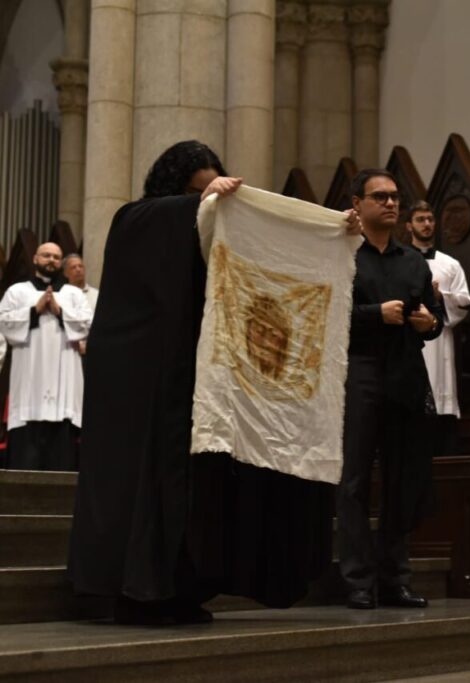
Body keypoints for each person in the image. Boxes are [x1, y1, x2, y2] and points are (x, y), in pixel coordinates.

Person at [68, 140, 352, 625]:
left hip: (194, 377)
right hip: (141, 381)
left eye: (209, 190)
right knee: (147, 488)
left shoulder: (206, 220)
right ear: (173, 190)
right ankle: (137, 592)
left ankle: (180, 589)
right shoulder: (134, 220)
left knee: (192, 492)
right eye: (196, 191)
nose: (209, 201)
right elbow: (162, 232)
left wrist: (326, 233)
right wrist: (197, 205)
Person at [339, 169, 445, 610]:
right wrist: (372, 314)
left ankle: (395, 579)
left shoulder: (412, 261)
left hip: (404, 372)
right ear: (357, 203)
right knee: (354, 480)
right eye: (379, 196)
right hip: (358, 370)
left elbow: (434, 317)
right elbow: (325, 312)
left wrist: (430, 322)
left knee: (402, 479)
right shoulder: (342, 254)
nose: (390, 203)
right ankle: (358, 580)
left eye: (395, 197)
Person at [0, 242, 92, 470]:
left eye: (56, 256)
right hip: (28, 386)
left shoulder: (73, 294)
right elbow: (4, 322)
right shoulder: (17, 291)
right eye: (46, 255)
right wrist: (35, 310)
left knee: (61, 458)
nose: (51, 260)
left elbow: (87, 323)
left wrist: (59, 311)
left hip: (64, 388)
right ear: (35, 259)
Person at [406, 200, 470, 457]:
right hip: (409, 339)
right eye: (420, 219)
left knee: (439, 400)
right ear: (409, 225)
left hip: (440, 340)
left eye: (430, 219)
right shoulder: (400, 260)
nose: (426, 224)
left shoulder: (450, 264)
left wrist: (439, 297)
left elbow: (464, 302)